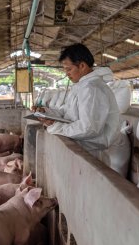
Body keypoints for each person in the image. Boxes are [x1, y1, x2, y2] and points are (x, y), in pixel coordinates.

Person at [39, 43, 130, 177]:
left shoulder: (91, 89)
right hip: (85, 149)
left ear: (82, 66)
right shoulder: (81, 86)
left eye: (69, 69)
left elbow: (89, 127)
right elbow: (67, 113)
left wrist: (57, 127)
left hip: (93, 151)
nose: (66, 73)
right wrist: (47, 113)